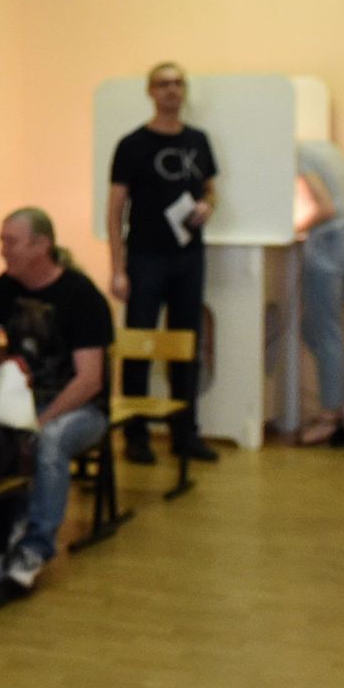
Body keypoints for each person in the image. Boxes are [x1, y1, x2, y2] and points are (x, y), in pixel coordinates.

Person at [0, 209, 115, 595]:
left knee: (49, 440)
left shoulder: (82, 296)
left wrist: (40, 419)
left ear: (42, 245)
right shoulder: (5, 289)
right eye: (2, 241)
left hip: (79, 408)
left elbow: (89, 380)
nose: (2, 250)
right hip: (24, 401)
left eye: (11, 241)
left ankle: (34, 548)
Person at [107, 62, 218, 466]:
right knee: (139, 343)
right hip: (145, 257)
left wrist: (209, 205)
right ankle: (136, 434)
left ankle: (184, 432)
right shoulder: (132, 144)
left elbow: (210, 189)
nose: (172, 90)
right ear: (151, 91)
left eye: (177, 84)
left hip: (189, 256)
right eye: (163, 84)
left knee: (186, 343)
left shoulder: (199, 140)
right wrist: (117, 267)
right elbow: (115, 209)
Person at [294, 138, 344, 446]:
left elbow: (325, 207)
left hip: (329, 243)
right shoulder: (326, 148)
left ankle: (329, 416)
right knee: (323, 332)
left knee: (322, 333)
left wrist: (296, 225)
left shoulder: (297, 155)